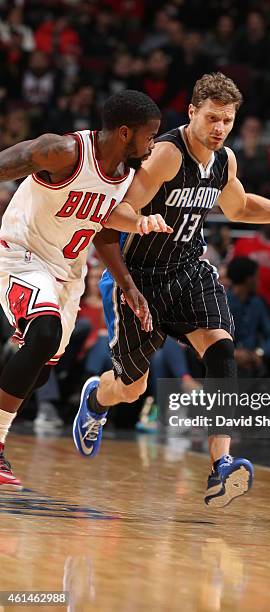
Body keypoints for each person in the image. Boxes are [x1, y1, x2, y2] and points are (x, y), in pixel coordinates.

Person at [73, 72, 270, 508]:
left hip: (188, 269)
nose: (220, 128)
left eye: (227, 120)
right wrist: (141, 221)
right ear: (192, 113)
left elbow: (239, 206)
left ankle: (221, 464)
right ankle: (96, 397)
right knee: (131, 388)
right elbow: (119, 208)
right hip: (139, 275)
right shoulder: (167, 154)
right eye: (212, 118)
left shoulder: (225, 161)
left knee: (221, 350)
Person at [0, 90, 173, 490]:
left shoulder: (126, 176)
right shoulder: (62, 152)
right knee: (42, 334)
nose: (152, 146)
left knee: (39, 375)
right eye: (150, 137)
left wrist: (129, 284)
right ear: (126, 133)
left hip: (69, 273)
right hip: (21, 253)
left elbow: (105, 230)